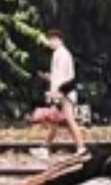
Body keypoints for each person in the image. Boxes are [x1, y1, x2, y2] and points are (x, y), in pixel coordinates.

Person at [31, 29, 87, 160]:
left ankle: (81, 148)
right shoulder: (61, 53)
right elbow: (59, 75)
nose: (49, 43)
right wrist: (49, 78)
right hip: (63, 92)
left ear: (58, 40)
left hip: (64, 93)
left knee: (69, 120)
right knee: (55, 121)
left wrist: (55, 93)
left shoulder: (61, 54)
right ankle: (45, 148)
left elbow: (61, 77)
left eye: (51, 40)